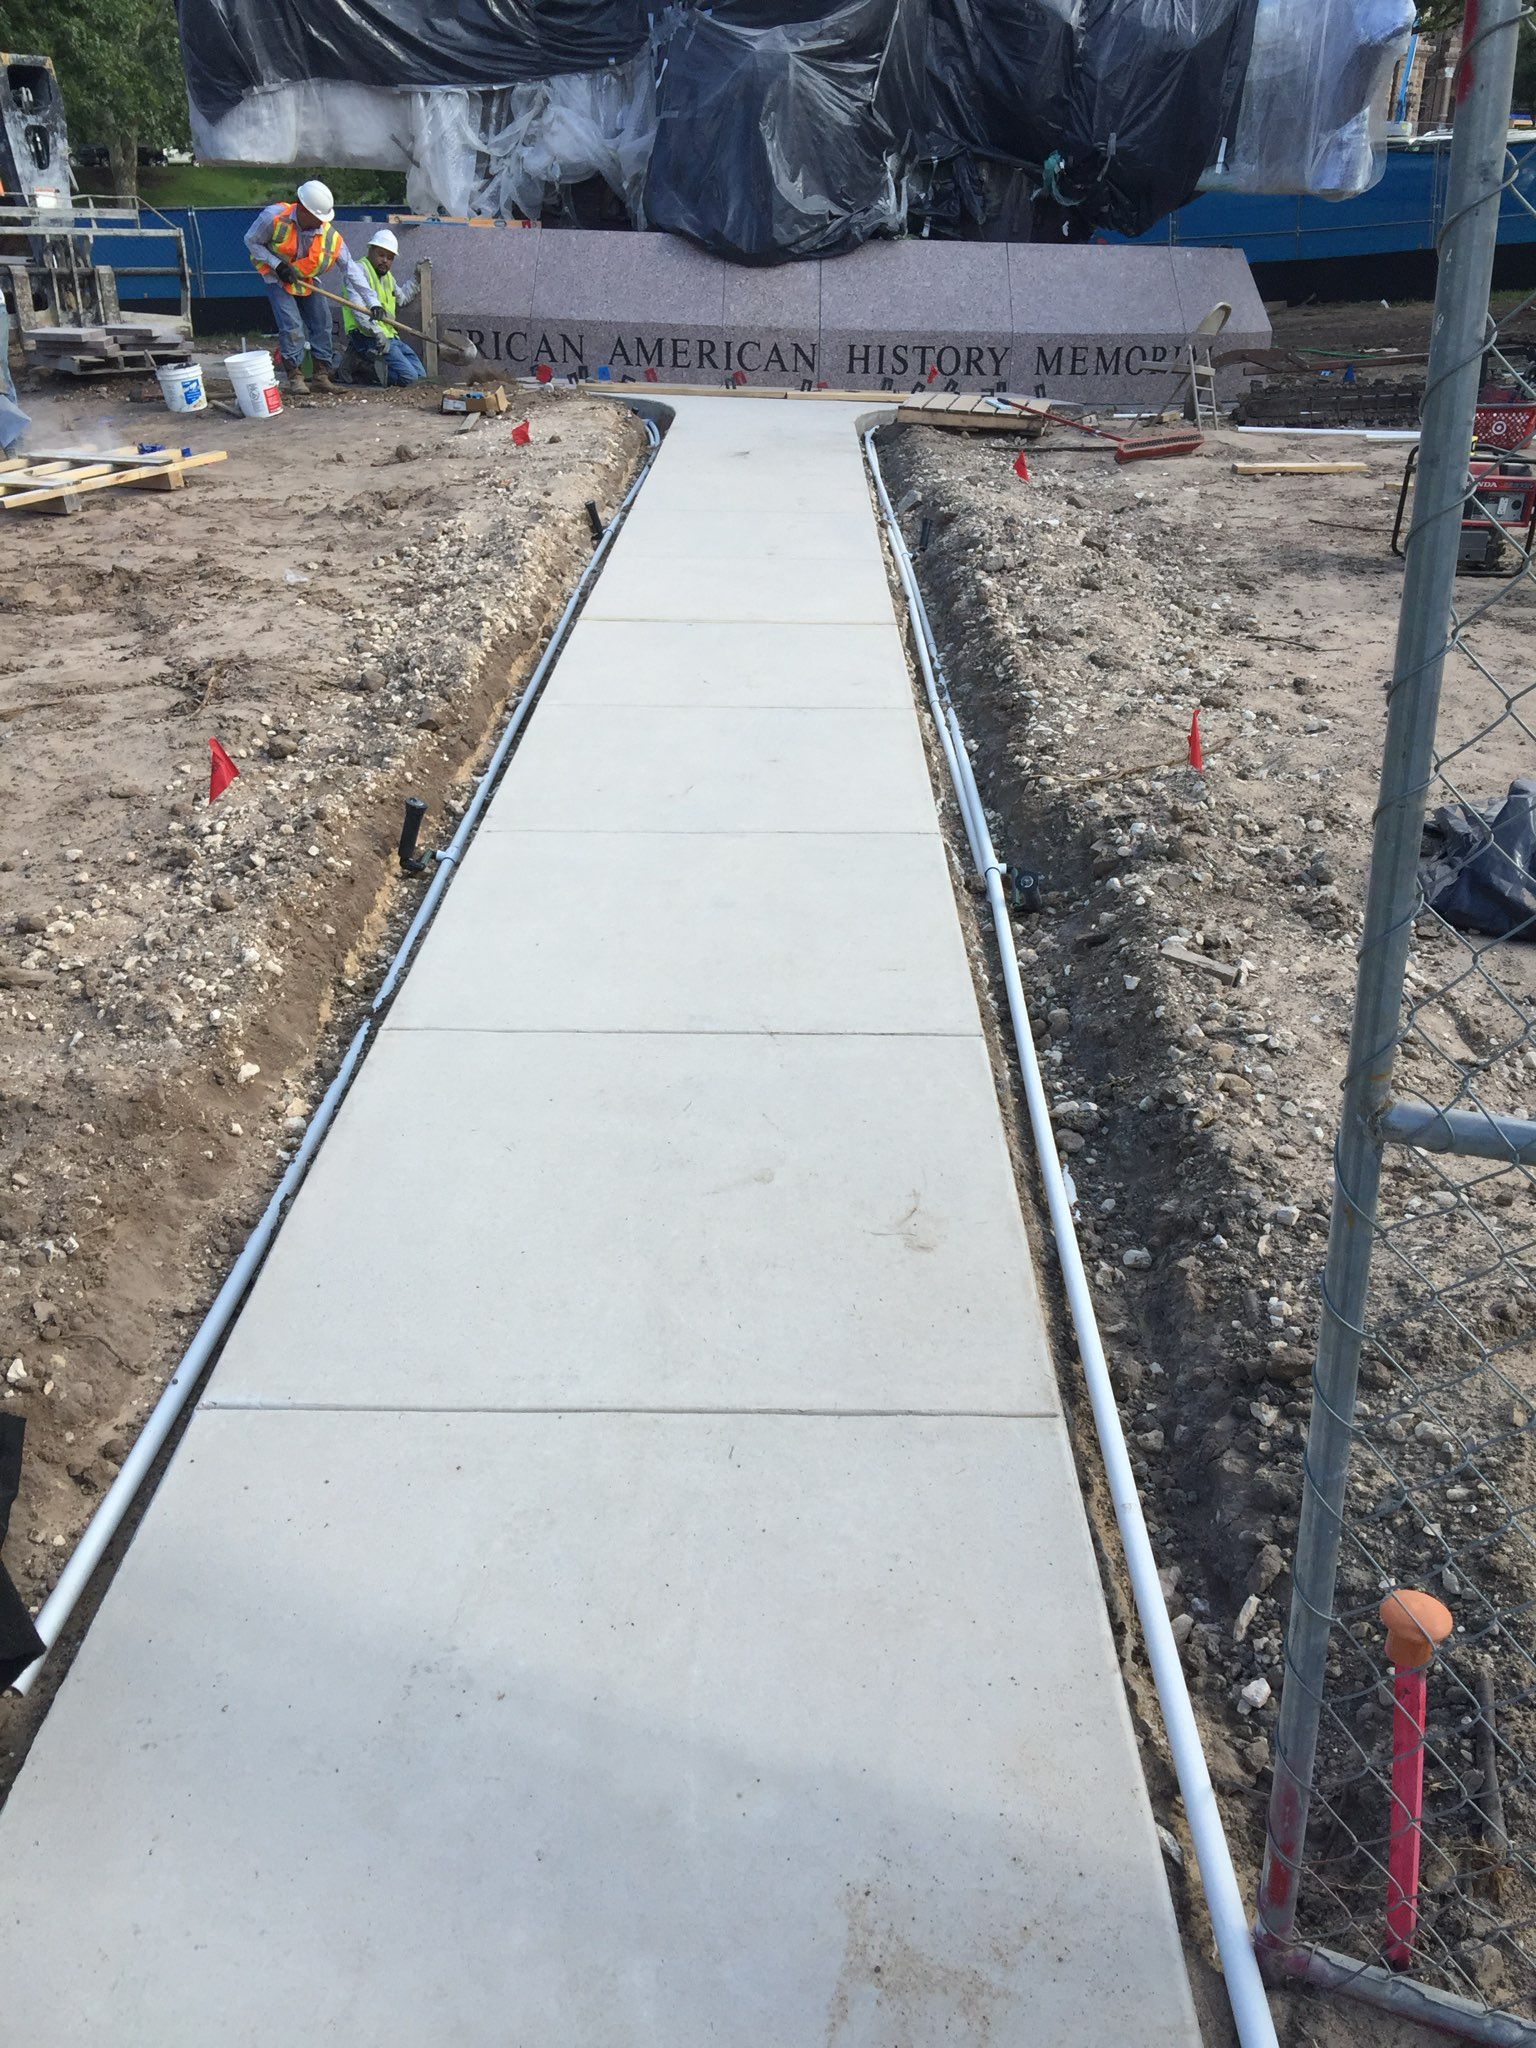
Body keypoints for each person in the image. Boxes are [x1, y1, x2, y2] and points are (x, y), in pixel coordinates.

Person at [244, 180, 381, 395]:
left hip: (307, 281)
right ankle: (295, 376)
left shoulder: (330, 237)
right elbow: (251, 241)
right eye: (316, 216)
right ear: (301, 206)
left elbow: (351, 269)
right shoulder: (273, 218)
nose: (320, 222)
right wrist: (277, 264)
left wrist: (373, 302)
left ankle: (321, 376)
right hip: (277, 278)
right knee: (292, 326)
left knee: (322, 323)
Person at [339, 229, 426, 387]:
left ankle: (365, 363)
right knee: (411, 380)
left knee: (421, 376)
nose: (385, 261)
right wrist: (377, 333)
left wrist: (417, 278)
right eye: (381, 255)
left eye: (390, 258)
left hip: (390, 337)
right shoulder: (358, 271)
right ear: (370, 250)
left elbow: (403, 299)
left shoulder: (388, 278)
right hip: (366, 336)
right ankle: (362, 367)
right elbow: (359, 311)